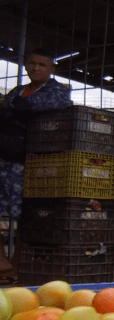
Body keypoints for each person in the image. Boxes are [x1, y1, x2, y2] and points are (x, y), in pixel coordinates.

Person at [0, 49, 72, 283]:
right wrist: (14, 105)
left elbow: (29, 106)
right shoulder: (19, 90)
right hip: (5, 159)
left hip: (35, 164)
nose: (36, 68)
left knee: (28, 216)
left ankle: (17, 266)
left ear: (51, 69)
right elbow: (18, 105)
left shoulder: (56, 91)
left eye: (42, 64)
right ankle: (3, 262)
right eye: (32, 63)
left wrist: (12, 106)